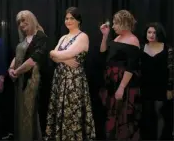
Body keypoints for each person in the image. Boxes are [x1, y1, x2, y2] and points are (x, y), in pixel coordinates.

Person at [44, 7, 96, 141]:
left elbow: (63, 54)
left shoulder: (82, 36)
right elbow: (53, 55)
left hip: (74, 81)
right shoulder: (63, 37)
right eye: (66, 18)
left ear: (78, 20)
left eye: (72, 18)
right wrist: (59, 56)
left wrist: (57, 55)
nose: (68, 21)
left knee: (72, 114)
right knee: (59, 112)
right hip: (60, 80)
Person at [99, 10, 141, 140]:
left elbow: (131, 67)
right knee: (112, 116)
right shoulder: (117, 37)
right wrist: (105, 36)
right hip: (112, 82)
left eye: (115, 23)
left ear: (123, 23)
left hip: (124, 83)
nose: (113, 26)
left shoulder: (133, 40)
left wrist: (121, 87)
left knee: (123, 117)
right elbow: (103, 53)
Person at [8, 10, 48, 141]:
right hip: (19, 79)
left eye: (24, 20)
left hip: (31, 79)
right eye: (19, 21)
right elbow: (17, 55)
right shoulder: (23, 39)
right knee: (21, 111)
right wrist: (10, 69)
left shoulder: (40, 37)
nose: (21, 24)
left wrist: (16, 71)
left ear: (31, 20)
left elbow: (33, 60)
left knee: (29, 112)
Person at [140, 22, 174, 140]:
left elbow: (171, 70)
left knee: (160, 114)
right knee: (148, 115)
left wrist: (170, 88)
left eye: (154, 32)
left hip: (162, 87)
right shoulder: (141, 48)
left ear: (159, 33)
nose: (152, 35)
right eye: (149, 32)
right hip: (145, 87)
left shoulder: (167, 48)